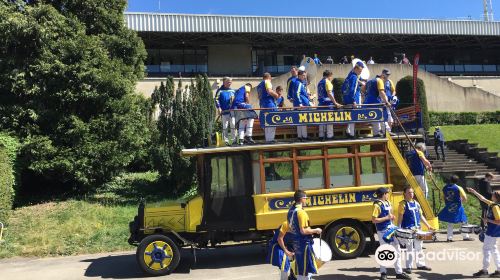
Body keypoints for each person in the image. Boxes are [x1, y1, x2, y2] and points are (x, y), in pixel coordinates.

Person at [372, 187, 410, 280]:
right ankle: (383, 273)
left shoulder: (388, 202)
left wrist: (391, 217)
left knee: (397, 250)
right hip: (382, 231)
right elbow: (374, 220)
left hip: (391, 228)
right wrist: (387, 218)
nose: (388, 194)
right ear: (384, 194)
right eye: (387, 193)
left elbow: (389, 214)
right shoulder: (377, 205)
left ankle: (399, 272)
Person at [287, 190, 322, 280]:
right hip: (304, 243)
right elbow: (303, 231)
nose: (306, 200)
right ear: (302, 199)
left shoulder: (291, 210)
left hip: (295, 243)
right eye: (305, 198)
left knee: (299, 265)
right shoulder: (301, 213)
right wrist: (316, 230)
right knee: (306, 266)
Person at [397, 186, 434, 274]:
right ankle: (408, 267)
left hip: (418, 229)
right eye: (409, 192)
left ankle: (421, 264)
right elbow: (400, 217)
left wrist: (428, 226)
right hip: (408, 230)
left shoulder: (416, 203)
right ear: (404, 194)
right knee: (409, 248)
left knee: (419, 247)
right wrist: (398, 228)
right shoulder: (402, 204)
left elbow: (421, 216)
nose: (411, 194)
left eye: (412, 192)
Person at [467, 188, 500, 278]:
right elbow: (483, 199)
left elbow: (499, 221)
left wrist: (487, 220)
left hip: (493, 231)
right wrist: (474, 192)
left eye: (493, 194)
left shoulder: (495, 207)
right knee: (493, 249)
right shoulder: (494, 204)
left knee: (486, 250)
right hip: (495, 231)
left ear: (496, 197)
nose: (491, 195)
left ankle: (484, 270)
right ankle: (498, 270)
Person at [438, 175, 474, 242]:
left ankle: (449, 238)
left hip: (449, 206)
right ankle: (465, 236)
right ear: (457, 181)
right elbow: (465, 198)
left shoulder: (444, 187)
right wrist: (461, 201)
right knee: (463, 221)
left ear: (450, 180)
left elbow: (442, 198)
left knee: (450, 222)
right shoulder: (458, 187)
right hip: (458, 207)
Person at [363, 72, 391, 138]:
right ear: (382, 77)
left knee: (374, 118)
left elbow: (362, 89)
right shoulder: (380, 81)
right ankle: (387, 132)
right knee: (382, 116)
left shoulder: (369, 81)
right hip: (375, 101)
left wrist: (368, 95)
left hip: (367, 102)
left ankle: (376, 133)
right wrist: (386, 102)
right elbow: (381, 92)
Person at [341, 61, 365, 139]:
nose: (360, 72)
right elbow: (352, 90)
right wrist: (354, 100)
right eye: (360, 71)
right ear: (356, 69)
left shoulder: (349, 76)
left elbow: (343, 89)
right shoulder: (354, 77)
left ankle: (350, 131)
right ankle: (351, 133)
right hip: (352, 100)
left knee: (350, 117)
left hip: (346, 99)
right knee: (353, 116)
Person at [317, 70, 341, 141]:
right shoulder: (327, 82)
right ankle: (330, 136)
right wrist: (335, 103)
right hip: (328, 104)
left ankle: (321, 136)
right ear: (329, 75)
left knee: (321, 120)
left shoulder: (319, 82)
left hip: (321, 104)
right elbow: (329, 93)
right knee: (329, 120)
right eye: (331, 76)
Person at [258, 72, 279, 144]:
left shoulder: (259, 85)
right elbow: (269, 91)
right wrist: (276, 95)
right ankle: (271, 139)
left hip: (262, 105)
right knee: (273, 121)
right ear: (269, 77)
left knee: (266, 123)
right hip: (269, 104)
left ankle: (268, 139)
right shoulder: (267, 81)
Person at [215, 77, 236, 145]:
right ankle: (226, 141)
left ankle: (234, 140)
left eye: (230, 82)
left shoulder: (233, 91)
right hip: (224, 111)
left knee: (233, 124)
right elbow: (216, 99)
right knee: (225, 126)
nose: (230, 83)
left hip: (232, 111)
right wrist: (219, 108)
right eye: (228, 82)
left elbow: (236, 100)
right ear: (224, 82)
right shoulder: (220, 90)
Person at [292, 70, 311, 141]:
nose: (305, 77)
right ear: (299, 75)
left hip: (298, 105)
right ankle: (304, 137)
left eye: (305, 75)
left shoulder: (297, 82)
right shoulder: (299, 83)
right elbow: (297, 93)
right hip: (301, 105)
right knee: (303, 121)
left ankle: (300, 136)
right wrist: (300, 103)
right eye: (303, 75)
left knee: (299, 122)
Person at [380, 69, 397, 136]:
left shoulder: (390, 81)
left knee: (390, 117)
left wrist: (392, 97)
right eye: (387, 74)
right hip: (382, 101)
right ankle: (385, 132)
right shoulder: (379, 81)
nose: (388, 76)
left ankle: (389, 132)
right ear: (383, 74)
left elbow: (394, 90)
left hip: (389, 101)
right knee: (384, 116)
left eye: (388, 75)